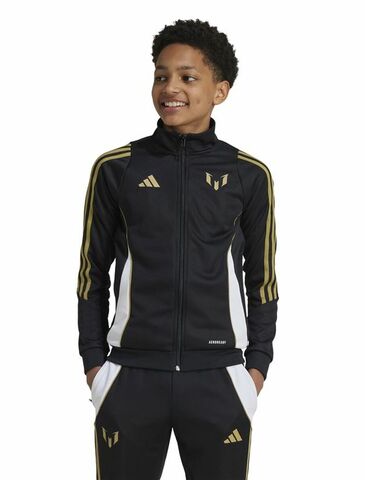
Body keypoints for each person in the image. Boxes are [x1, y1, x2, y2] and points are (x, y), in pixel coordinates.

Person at [76, 18, 279, 480]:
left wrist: (256, 369)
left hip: (219, 378)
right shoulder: (116, 168)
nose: (170, 88)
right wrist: (95, 366)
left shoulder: (249, 175)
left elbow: (262, 279)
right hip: (131, 375)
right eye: (161, 76)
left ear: (220, 90)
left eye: (188, 77)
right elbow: (91, 274)